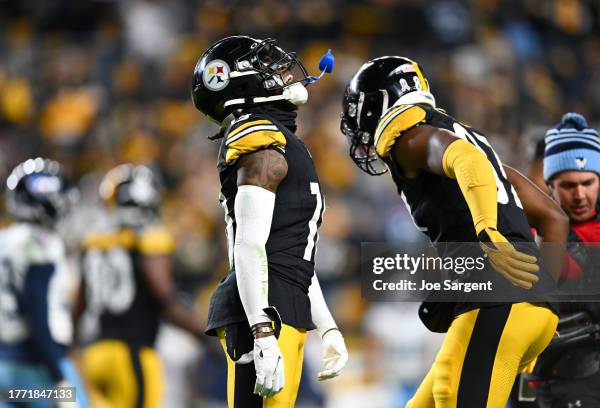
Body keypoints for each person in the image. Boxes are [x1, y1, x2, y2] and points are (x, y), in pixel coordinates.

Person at [341, 56, 569, 407]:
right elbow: (554, 217)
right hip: (529, 308)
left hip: (496, 297)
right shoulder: (470, 142)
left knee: (453, 395)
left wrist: (486, 229)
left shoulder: (413, 138)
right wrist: (544, 297)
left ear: (379, 104)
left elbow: (465, 158)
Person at [191, 36, 348, 407]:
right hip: (263, 314)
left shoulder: (282, 140)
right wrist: (261, 332)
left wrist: (327, 325)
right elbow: (249, 246)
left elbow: (294, 256)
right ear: (241, 83)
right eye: (265, 66)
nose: (282, 71)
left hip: (282, 309)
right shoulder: (259, 138)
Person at [75, 164, 205, 408]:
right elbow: (167, 302)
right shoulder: (149, 240)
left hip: (93, 355)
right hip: (132, 355)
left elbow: (78, 307)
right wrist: (208, 334)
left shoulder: (92, 243)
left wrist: (72, 351)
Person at [528, 113, 600, 408]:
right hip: (569, 382)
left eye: (587, 182)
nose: (579, 194)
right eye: (568, 185)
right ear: (549, 185)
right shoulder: (538, 235)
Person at [0, 158, 89, 407]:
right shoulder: (39, 243)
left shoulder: (5, 240)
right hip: (35, 368)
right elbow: (36, 312)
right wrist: (59, 379)